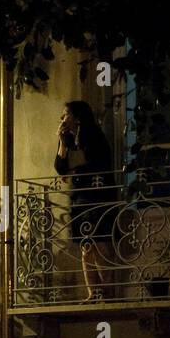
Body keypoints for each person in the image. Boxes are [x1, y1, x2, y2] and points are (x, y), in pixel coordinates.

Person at [54, 100, 118, 302]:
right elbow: (60, 167)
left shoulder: (93, 135)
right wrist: (63, 143)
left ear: (78, 117)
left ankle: (107, 291)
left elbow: (89, 162)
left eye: (65, 114)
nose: (62, 119)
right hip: (80, 197)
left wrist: (73, 168)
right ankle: (94, 292)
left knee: (100, 244)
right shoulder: (68, 139)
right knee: (86, 246)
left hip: (98, 195)